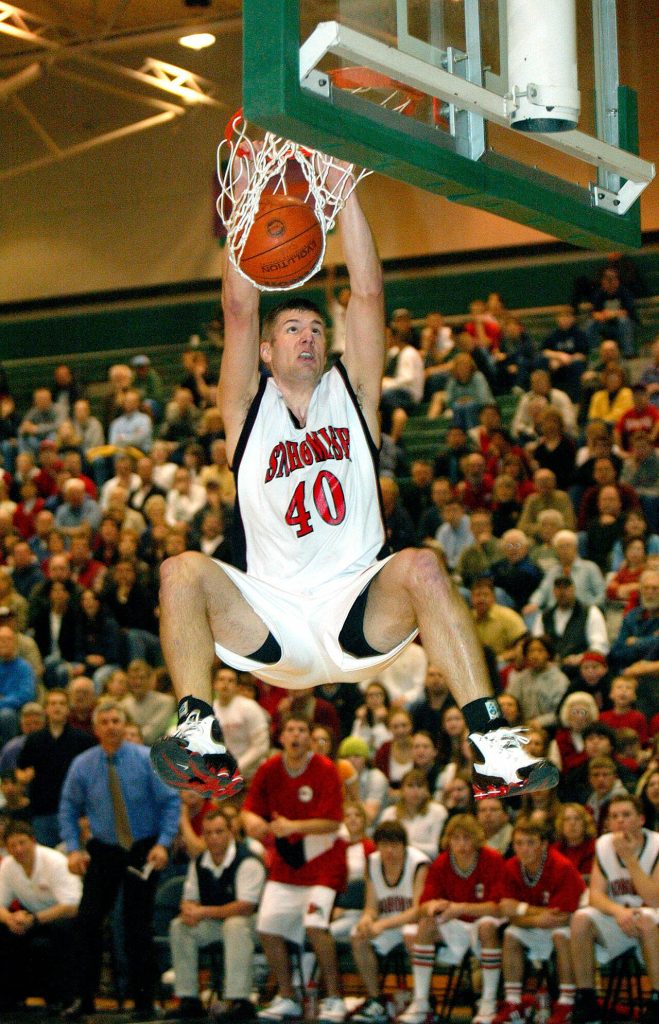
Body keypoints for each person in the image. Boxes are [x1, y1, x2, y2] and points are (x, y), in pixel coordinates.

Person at [152, 172, 558, 804]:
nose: (308, 337)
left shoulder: (354, 396)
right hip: (272, 616)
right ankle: (198, 735)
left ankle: (491, 746)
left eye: (317, 330)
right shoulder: (245, 411)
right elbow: (238, 309)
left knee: (423, 566)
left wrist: (345, 194)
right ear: (266, 352)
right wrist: (247, 207)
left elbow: (368, 294)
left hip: (357, 605)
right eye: (293, 329)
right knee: (180, 571)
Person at [58, 699, 181, 1021]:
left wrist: (164, 844)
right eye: (106, 722)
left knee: (136, 925)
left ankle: (145, 1001)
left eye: (116, 721)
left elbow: (170, 802)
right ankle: (83, 999)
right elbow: (68, 808)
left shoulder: (146, 759)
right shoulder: (83, 765)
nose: (112, 726)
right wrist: (73, 848)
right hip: (104, 849)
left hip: (143, 848)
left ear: (124, 725)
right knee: (87, 921)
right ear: (96, 729)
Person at [241, 715, 348, 1024]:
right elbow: (249, 810)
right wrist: (252, 822)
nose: (296, 735)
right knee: (267, 926)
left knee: (315, 925)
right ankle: (288, 996)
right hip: (287, 864)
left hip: (323, 860)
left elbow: (333, 822)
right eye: (291, 730)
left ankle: (335, 997)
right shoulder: (269, 768)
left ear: (310, 739)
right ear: (282, 737)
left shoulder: (325, 769)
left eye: (302, 730)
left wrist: (293, 826)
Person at [402, 813, 505, 1024]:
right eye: (456, 838)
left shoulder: (492, 859)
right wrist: (433, 906)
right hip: (457, 921)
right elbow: (425, 904)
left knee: (487, 926)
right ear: (448, 840)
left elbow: (498, 908)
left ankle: (488, 1002)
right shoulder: (442, 862)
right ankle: (421, 1002)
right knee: (426, 924)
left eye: (467, 838)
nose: (461, 844)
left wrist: (459, 908)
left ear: (477, 839)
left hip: (485, 920)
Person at [166, 807, 266, 1022]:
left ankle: (239, 1001)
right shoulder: (199, 862)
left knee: (235, 924)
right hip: (216, 922)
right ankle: (188, 999)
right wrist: (188, 910)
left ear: (230, 832)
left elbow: (245, 907)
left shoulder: (247, 861)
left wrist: (203, 911)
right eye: (208, 833)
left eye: (219, 832)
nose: (213, 838)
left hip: (254, 925)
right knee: (179, 926)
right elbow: (190, 896)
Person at [569, 794, 659, 1024]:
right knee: (581, 919)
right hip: (620, 917)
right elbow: (596, 896)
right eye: (614, 816)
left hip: (652, 918)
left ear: (641, 819)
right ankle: (586, 998)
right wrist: (619, 912)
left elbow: (654, 898)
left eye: (626, 815)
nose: (619, 821)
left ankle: (657, 998)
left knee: (646, 918)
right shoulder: (603, 844)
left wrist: (630, 859)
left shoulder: (656, 844)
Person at [493, 818, 586, 1024]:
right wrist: (534, 916)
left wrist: (521, 909)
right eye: (519, 843)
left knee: (560, 935)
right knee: (510, 934)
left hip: (570, 927)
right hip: (534, 924)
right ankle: (513, 1002)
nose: (524, 849)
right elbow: (508, 913)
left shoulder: (562, 866)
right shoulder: (511, 867)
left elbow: (562, 916)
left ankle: (567, 1002)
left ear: (544, 844)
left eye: (530, 843)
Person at [349, 820, 429, 1024]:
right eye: (384, 845)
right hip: (390, 923)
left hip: (414, 922)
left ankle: (421, 1001)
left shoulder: (419, 863)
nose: (389, 851)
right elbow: (371, 907)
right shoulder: (373, 862)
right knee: (358, 937)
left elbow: (417, 911)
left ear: (404, 846)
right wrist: (366, 919)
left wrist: (381, 925)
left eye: (394, 845)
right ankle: (376, 1000)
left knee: (411, 934)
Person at [0, 820, 81, 1013]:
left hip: (64, 917)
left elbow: (72, 906)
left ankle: (65, 998)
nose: (18, 849)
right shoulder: (8, 866)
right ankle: (10, 998)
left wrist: (34, 919)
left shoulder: (55, 862)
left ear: (33, 841)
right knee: (5, 931)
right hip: (32, 919)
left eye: (22, 843)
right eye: (12, 845)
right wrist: (10, 919)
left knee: (61, 930)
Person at [17, 688, 95, 847]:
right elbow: (20, 770)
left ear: (68, 708)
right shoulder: (34, 740)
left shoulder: (83, 740)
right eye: (52, 703)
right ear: (46, 709)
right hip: (42, 812)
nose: (57, 707)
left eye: (61, 703)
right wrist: (23, 777)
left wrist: (86, 814)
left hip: (75, 813)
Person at [211, 663, 270, 784]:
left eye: (231, 681)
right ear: (214, 684)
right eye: (221, 679)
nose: (225, 684)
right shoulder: (209, 710)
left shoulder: (250, 707)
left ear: (237, 687)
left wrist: (236, 768)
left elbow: (261, 746)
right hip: (221, 778)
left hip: (252, 775)